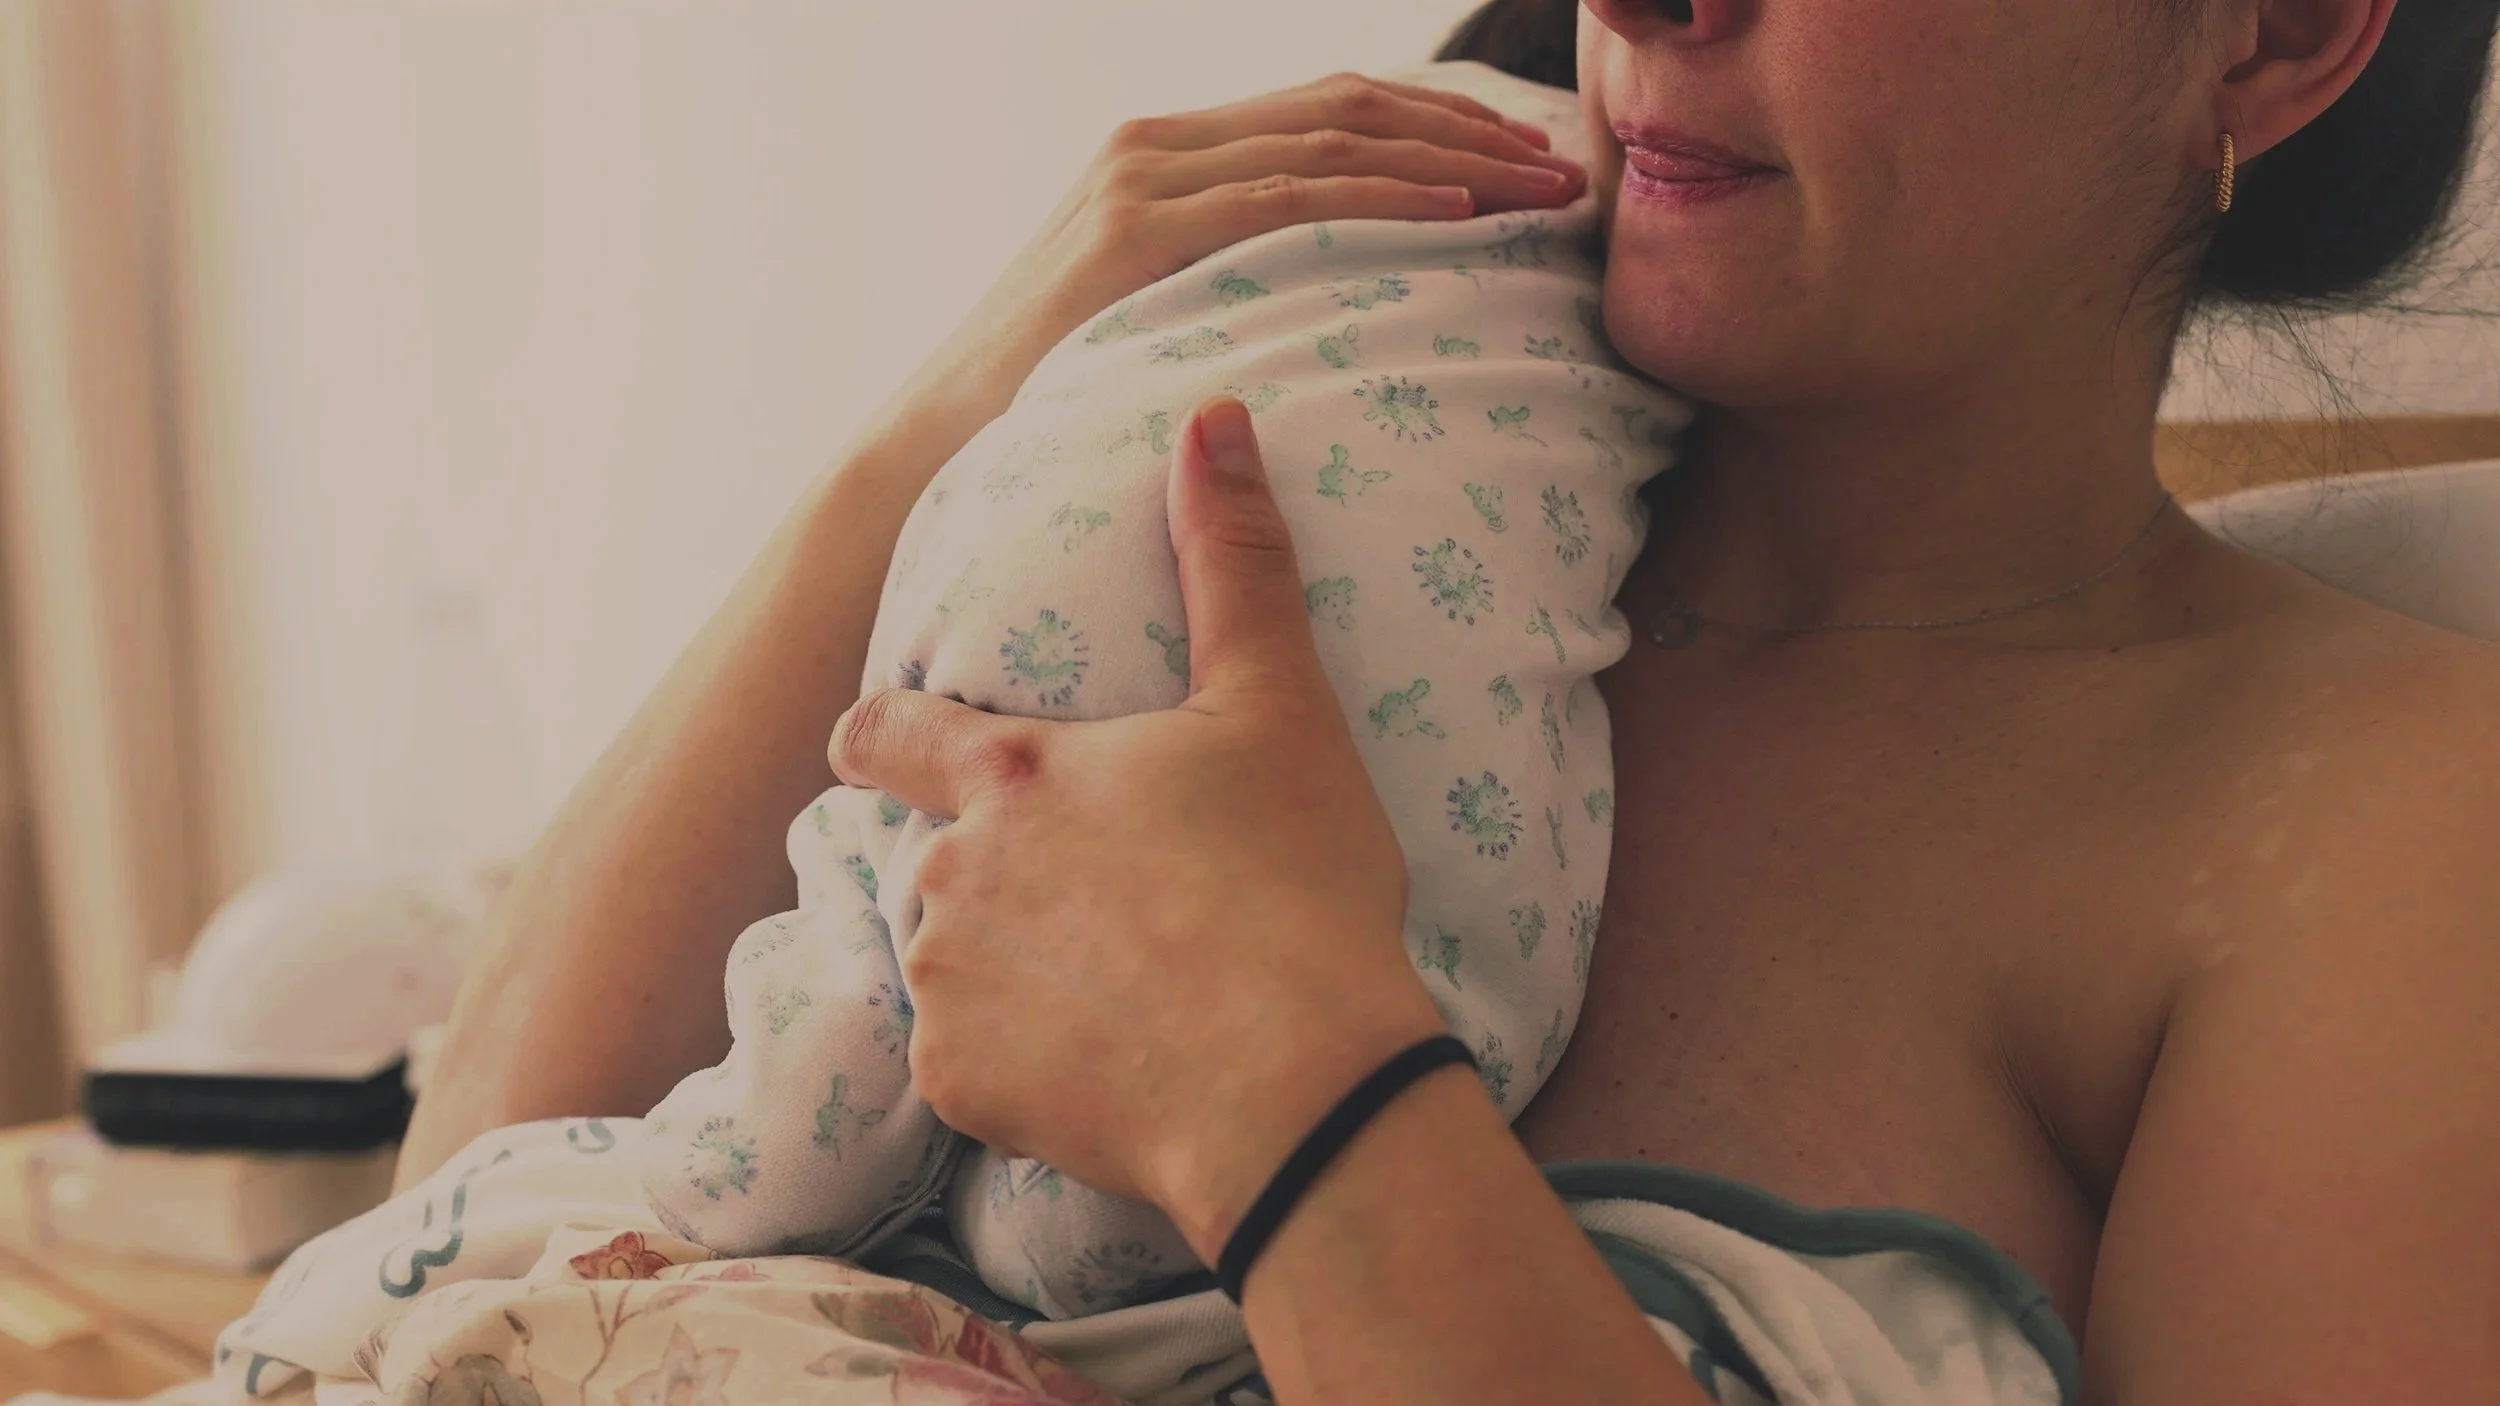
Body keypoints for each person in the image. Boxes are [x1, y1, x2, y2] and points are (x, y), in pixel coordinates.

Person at [397, 1, 2500, 1401]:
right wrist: (964, 410)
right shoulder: (1290, 548)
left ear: (2274, 30)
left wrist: (1284, 1091)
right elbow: (470, 1236)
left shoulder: (2374, 828)